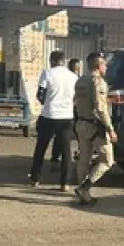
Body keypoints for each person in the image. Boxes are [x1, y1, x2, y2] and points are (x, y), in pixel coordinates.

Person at [29, 51, 78, 190]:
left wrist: (46, 102)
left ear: (52, 60)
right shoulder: (73, 76)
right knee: (66, 151)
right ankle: (65, 183)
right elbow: (76, 97)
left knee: (41, 148)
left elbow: (40, 94)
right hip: (67, 117)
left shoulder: (47, 73)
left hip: (49, 115)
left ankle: (35, 178)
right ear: (64, 60)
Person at [72, 52, 116, 206]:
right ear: (99, 66)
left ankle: (84, 195)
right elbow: (101, 108)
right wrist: (110, 128)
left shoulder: (80, 81)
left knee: (84, 159)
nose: (106, 68)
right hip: (94, 126)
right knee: (107, 160)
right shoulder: (97, 82)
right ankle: (85, 188)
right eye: (105, 65)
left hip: (80, 123)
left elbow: (76, 102)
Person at [50, 57, 84, 168]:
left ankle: (58, 158)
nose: (77, 69)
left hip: (72, 111)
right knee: (65, 136)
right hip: (70, 111)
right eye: (77, 66)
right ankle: (58, 158)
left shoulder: (77, 79)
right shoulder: (73, 79)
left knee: (64, 137)